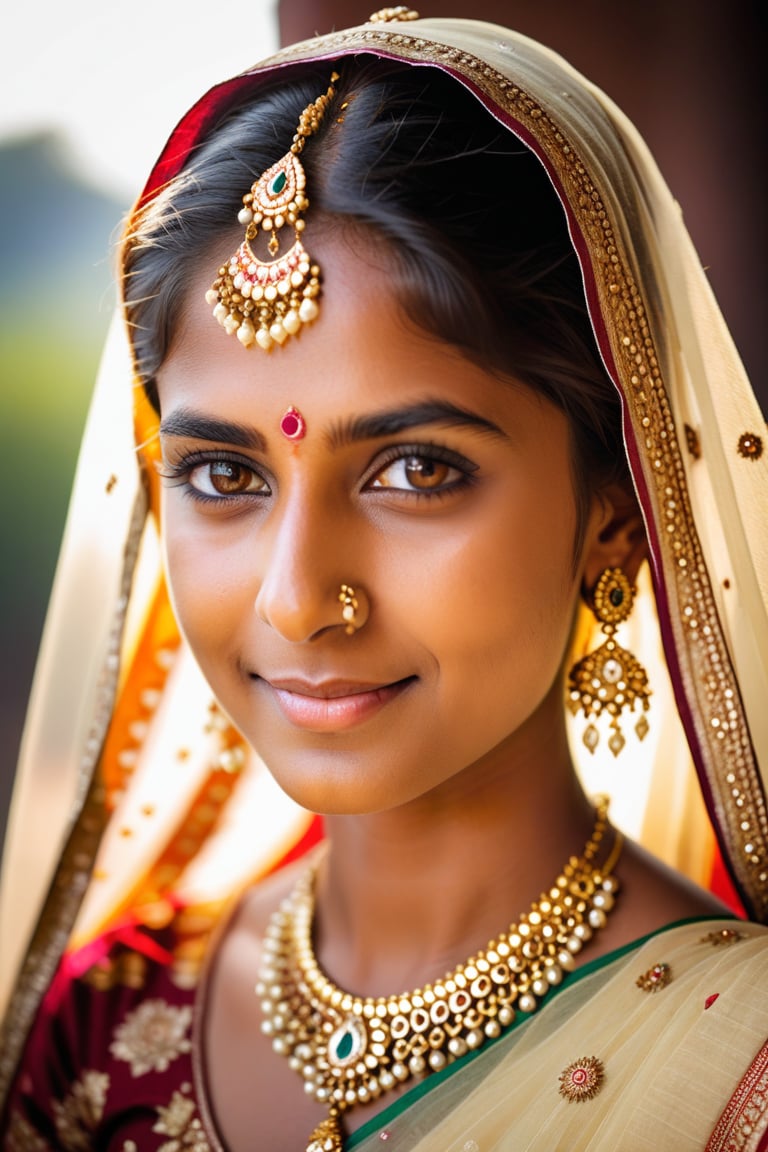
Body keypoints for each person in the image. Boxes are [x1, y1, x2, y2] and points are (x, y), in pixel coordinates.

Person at [1, 9, 767, 1150]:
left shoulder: (736, 1070)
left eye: (417, 470)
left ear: (618, 507)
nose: (298, 598)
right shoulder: (101, 1035)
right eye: (222, 471)